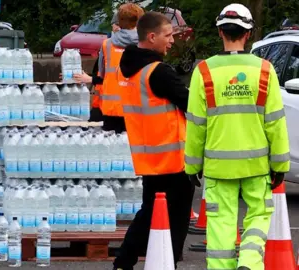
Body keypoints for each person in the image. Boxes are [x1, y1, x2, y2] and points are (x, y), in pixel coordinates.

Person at [185, 3, 290, 270]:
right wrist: (280, 165)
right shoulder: (265, 70)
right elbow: (275, 124)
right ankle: (250, 262)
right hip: (256, 166)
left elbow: (196, 125)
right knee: (258, 216)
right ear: (249, 33)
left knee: (220, 226)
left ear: (220, 32)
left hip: (219, 167)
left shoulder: (204, 72)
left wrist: (192, 165)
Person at [112, 12, 193, 270]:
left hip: (148, 156)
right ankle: (167, 262)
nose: (171, 41)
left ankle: (125, 262)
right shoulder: (158, 73)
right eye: (168, 35)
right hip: (172, 159)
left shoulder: (126, 69)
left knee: (148, 213)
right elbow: (192, 105)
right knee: (174, 218)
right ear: (152, 36)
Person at [97, 3, 144, 133]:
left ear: (118, 21)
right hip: (136, 108)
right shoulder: (144, 45)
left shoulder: (106, 45)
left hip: (111, 108)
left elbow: (101, 74)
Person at [72, 13, 121, 122]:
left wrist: (90, 79)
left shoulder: (121, 48)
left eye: (115, 24)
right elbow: (102, 75)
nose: (113, 27)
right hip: (101, 104)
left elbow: (116, 78)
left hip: (114, 109)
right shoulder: (107, 46)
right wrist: (84, 77)